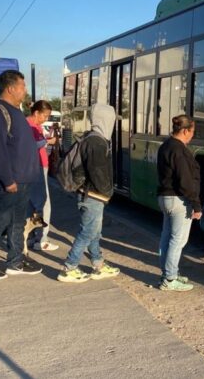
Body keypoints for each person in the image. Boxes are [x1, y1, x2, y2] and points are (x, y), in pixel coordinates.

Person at [0, 70, 42, 280]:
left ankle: (15, 261)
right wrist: (7, 179)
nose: (25, 90)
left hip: (22, 180)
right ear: (11, 88)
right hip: (9, 181)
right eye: (22, 86)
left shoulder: (15, 111)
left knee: (17, 223)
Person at [57, 103, 120, 283]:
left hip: (88, 194)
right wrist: (108, 192)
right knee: (87, 232)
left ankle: (98, 264)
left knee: (93, 232)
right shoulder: (97, 143)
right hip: (93, 195)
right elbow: (98, 172)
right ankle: (69, 267)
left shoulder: (90, 138)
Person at [156, 115, 201, 291]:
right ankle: (169, 278)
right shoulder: (179, 150)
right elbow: (185, 181)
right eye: (192, 132)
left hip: (165, 197)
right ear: (185, 130)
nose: (192, 136)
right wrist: (196, 204)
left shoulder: (166, 146)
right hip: (178, 200)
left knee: (167, 238)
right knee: (178, 240)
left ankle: (168, 272)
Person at [26, 100, 58, 251]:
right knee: (44, 204)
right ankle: (42, 238)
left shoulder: (34, 124)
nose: (45, 119)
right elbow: (32, 145)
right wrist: (48, 141)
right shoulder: (29, 125)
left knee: (31, 203)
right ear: (36, 112)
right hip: (36, 167)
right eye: (44, 115)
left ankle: (31, 237)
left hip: (37, 166)